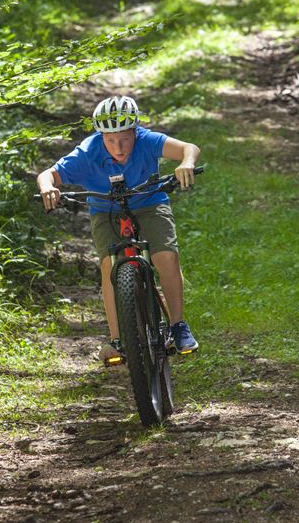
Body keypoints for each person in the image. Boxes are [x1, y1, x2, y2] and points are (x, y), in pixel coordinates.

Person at [37, 95, 200, 362]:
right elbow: (48, 174)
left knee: (166, 257)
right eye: (110, 140)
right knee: (109, 266)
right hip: (106, 209)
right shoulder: (88, 151)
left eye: (125, 138)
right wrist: (48, 188)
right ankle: (117, 340)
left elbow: (188, 148)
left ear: (135, 131)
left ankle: (178, 326)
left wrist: (186, 163)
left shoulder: (147, 141)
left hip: (149, 202)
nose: (119, 147)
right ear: (100, 136)